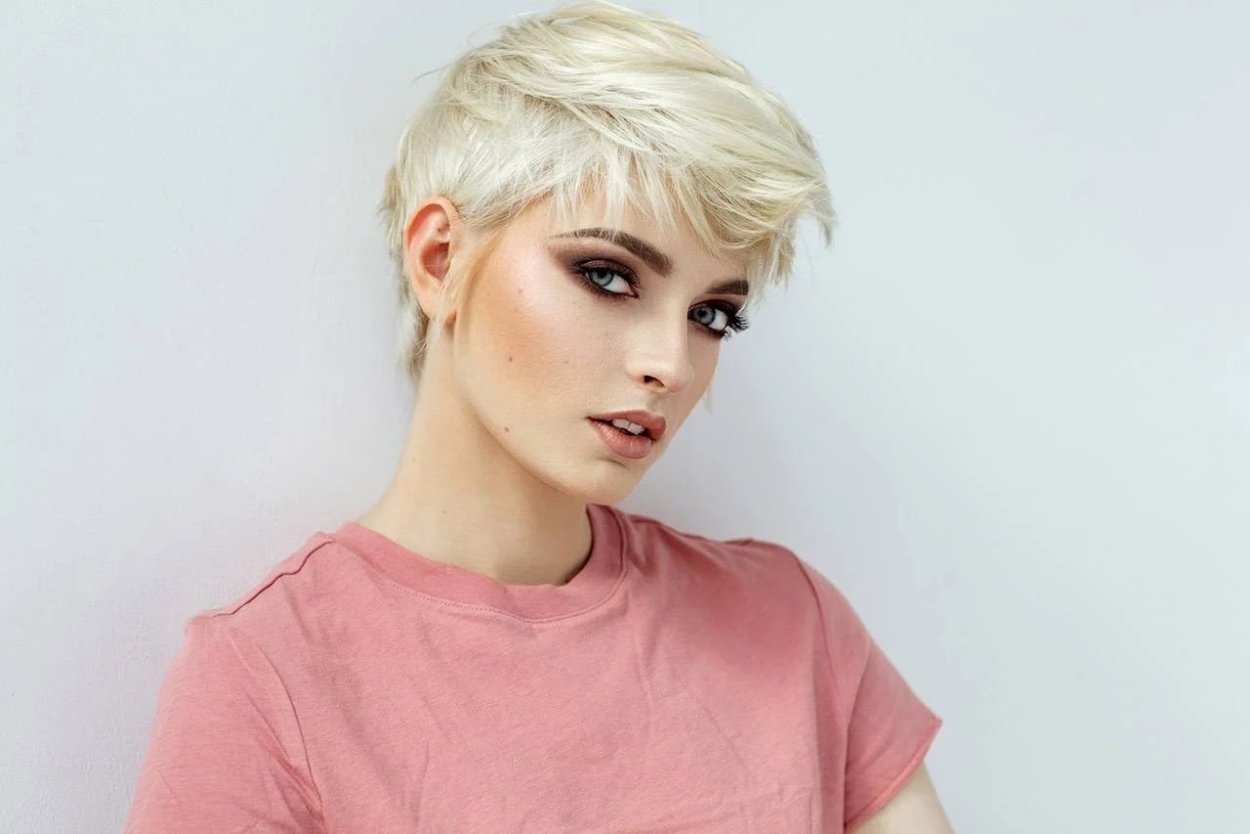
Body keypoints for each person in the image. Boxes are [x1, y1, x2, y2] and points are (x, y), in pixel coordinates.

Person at [123, 2, 952, 831]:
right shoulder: (270, 679)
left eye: (711, 315)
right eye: (608, 275)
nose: (670, 363)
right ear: (441, 260)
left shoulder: (790, 625)